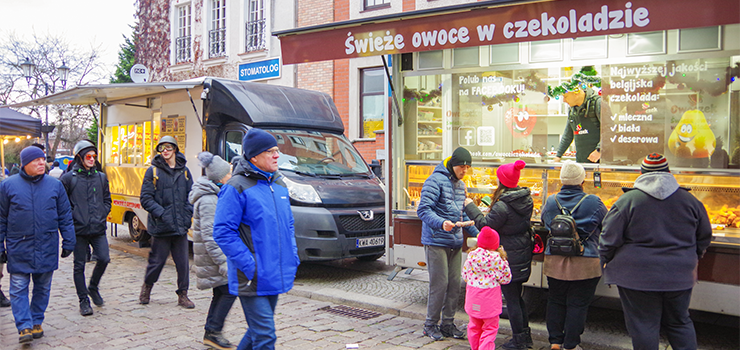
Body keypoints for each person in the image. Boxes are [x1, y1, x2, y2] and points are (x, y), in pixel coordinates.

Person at [599, 153, 712, 350]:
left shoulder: (627, 201)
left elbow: (609, 238)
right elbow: (704, 235)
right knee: (679, 322)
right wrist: (692, 257)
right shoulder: (691, 201)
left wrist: (605, 260)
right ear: (669, 172)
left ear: (641, 173)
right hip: (680, 274)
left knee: (644, 325)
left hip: (635, 276)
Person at [213, 128, 300, 350]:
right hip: (252, 276)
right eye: (270, 151)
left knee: (257, 331)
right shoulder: (236, 187)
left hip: (274, 271)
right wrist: (250, 265)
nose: (277, 155)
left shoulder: (279, 185)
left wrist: (293, 256)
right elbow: (223, 231)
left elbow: (288, 225)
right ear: (254, 157)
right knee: (265, 336)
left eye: (277, 150)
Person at [0, 146, 75, 343]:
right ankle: (24, 326)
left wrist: (69, 240)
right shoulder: (8, 186)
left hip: (46, 245)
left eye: (43, 159)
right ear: (25, 164)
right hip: (19, 246)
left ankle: (36, 321)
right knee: (18, 288)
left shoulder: (55, 185)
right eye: (37, 160)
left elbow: (65, 215)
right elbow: (1, 219)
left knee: (42, 288)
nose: (42, 163)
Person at [464, 160, 534, 350]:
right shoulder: (525, 198)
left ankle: (520, 342)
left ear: (502, 181)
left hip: (508, 254)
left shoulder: (503, 205)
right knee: (517, 298)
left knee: (512, 300)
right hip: (521, 253)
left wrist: (470, 206)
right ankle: (525, 338)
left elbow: (486, 227)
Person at [540, 161, 607, 350]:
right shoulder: (594, 202)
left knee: (555, 300)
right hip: (586, 261)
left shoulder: (552, 201)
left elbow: (547, 224)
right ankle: (571, 345)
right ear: (582, 180)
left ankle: (554, 342)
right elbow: (607, 224)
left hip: (555, 260)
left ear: (562, 180)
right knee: (578, 304)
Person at [417, 146, 479, 341]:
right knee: (439, 283)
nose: (465, 171)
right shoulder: (435, 180)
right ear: (453, 164)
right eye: (462, 166)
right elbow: (423, 210)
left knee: (454, 285)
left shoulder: (461, 185)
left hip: (455, 240)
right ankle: (430, 325)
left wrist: (482, 236)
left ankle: (448, 324)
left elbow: (463, 215)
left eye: (468, 167)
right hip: (436, 240)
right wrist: (441, 223)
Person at [138, 135, 195, 308]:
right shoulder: (153, 171)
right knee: (156, 263)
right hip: (161, 226)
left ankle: (183, 295)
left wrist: (187, 214)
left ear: (175, 150)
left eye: (169, 148)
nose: (165, 152)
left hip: (180, 226)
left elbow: (190, 196)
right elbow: (146, 198)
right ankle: (147, 288)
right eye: (162, 148)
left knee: (183, 264)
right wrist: (162, 214)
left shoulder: (184, 171)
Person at [190, 151, 236, 350]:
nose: (231, 176)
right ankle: (214, 332)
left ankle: (211, 331)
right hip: (213, 257)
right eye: (228, 174)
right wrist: (223, 262)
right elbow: (210, 236)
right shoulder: (209, 199)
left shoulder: (214, 194)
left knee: (221, 291)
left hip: (213, 256)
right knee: (229, 290)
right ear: (220, 177)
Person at [60, 140, 112, 316]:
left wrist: (102, 213)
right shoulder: (68, 179)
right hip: (78, 230)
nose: (91, 159)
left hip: (97, 228)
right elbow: (61, 203)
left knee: (104, 258)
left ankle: (93, 286)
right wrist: (72, 217)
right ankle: (83, 300)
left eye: (94, 156)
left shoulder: (101, 177)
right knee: (79, 266)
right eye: (88, 156)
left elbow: (107, 200)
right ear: (80, 158)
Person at [462, 226, 512, 350]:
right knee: (490, 328)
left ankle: (475, 347)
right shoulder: (498, 260)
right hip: (490, 300)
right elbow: (506, 278)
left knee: (474, 326)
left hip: (473, 297)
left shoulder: (471, 256)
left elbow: (465, 275)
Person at [548, 66, 603, 163]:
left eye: (565, 96)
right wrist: (558, 156)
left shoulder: (597, 103)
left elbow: (609, 130)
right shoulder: (572, 110)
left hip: (599, 162)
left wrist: (599, 150)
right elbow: (568, 135)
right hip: (581, 162)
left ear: (576, 93)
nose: (564, 100)